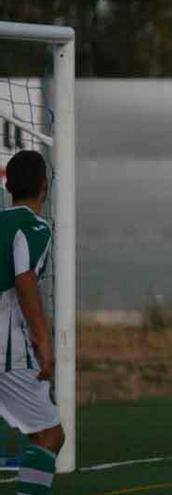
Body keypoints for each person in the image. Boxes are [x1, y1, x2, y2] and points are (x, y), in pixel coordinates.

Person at [0, 150, 65, 495]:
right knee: (49, 436)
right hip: (6, 350)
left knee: (34, 431)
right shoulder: (36, 226)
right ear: (45, 185)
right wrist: (44, 341)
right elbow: (25, 282)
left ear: (8, 184)